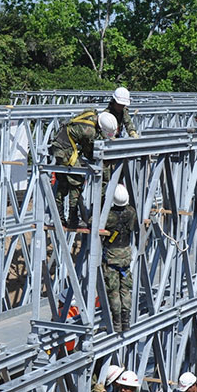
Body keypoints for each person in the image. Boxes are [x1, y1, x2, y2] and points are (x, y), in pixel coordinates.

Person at [51, 109, 118, 228]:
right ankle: (73, 219)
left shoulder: (91, 114)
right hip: (64, 150)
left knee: (63, 183)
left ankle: (58, 217)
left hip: (60, 144)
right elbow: (89, 151)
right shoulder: (89, 131)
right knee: (77, 180)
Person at [101, 184, 137, 332]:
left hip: (112, 257)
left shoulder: (109, 216)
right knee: (125, 290)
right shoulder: (131, 212)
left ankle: (117, 323)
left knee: (114, 291)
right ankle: (126, 321)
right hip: (126, 255)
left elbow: (92, 221)